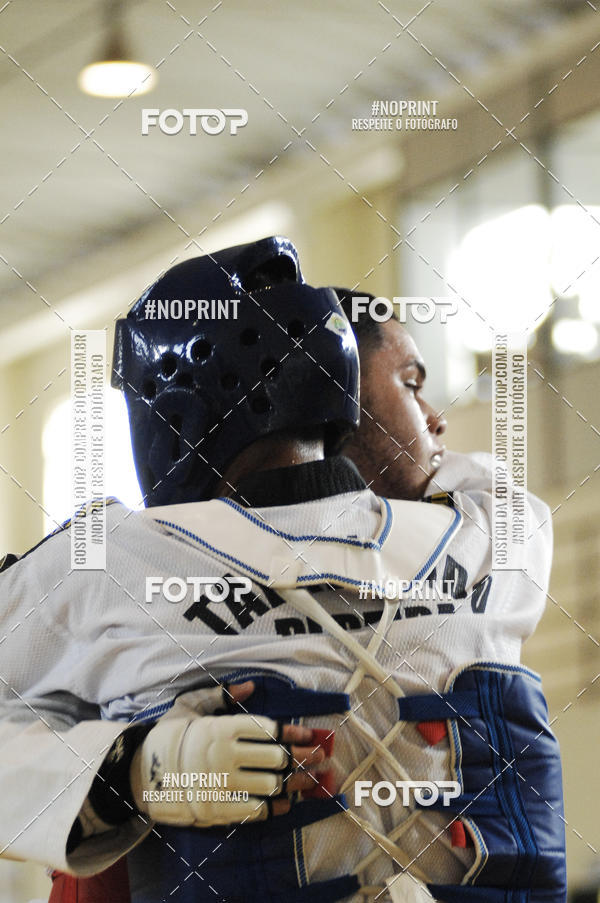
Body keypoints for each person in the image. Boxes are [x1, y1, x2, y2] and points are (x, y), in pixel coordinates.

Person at [0, 238, 566, 903]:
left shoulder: (107, 560)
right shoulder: (494, 536)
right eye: (411, 384)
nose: (433, 419)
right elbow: (468, 474)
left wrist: (132, 774)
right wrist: (129, 772)